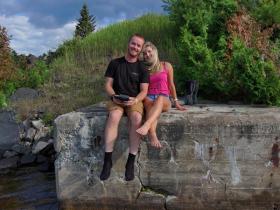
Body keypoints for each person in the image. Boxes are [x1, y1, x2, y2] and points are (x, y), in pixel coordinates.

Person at [100, 34, 149, 181]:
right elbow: (107, 85)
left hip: (134, 100)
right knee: (114, 116)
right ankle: (107, 160)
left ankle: (130, 161)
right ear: (129, 44)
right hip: (117, 98)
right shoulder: (115, 63)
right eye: (133, 44)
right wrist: (114, 96)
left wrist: (135, 100)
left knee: (136, 118)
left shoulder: (142, 68)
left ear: (140, 49)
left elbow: (144, 91)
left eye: (138, 45)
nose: (135, 47)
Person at [136, 41, 186, 148]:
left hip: (164, 98)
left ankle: (147, 125)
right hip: (149, 97)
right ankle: (153, 134)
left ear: (155, 51)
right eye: (144, 53)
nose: (147, 55)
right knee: (150, 107)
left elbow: (171, 85)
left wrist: (176, 102)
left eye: (149, 51)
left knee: (160, 98)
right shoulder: (143, 69)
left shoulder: (166, 65)